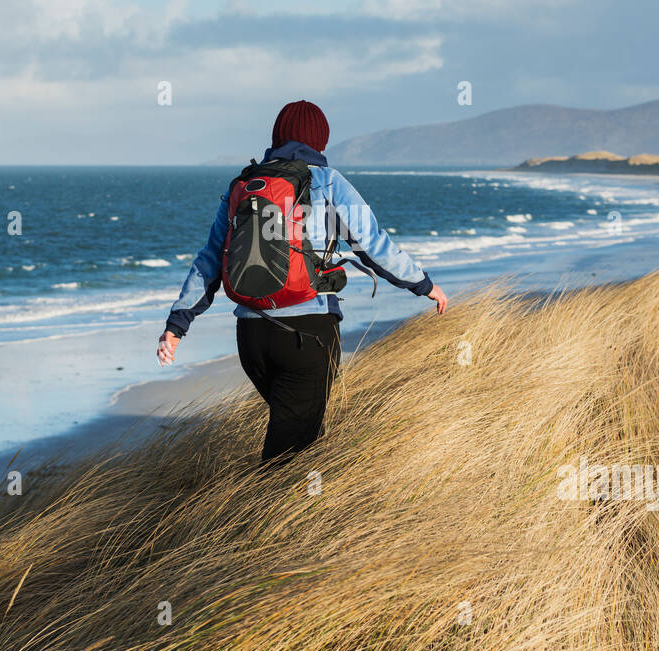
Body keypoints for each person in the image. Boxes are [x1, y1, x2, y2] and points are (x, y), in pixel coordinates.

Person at [157, 100, 447, 461]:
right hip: (306, 336)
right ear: (320, 142)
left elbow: (210, 260)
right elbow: (372, 245)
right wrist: (423, 284)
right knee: (288, 458)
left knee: (299, 438)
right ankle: (258, 515)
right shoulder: (327, 181)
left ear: (277, 136)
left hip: (251, 338)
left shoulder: (246, 184)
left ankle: (290, 509)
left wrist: (177, 323)